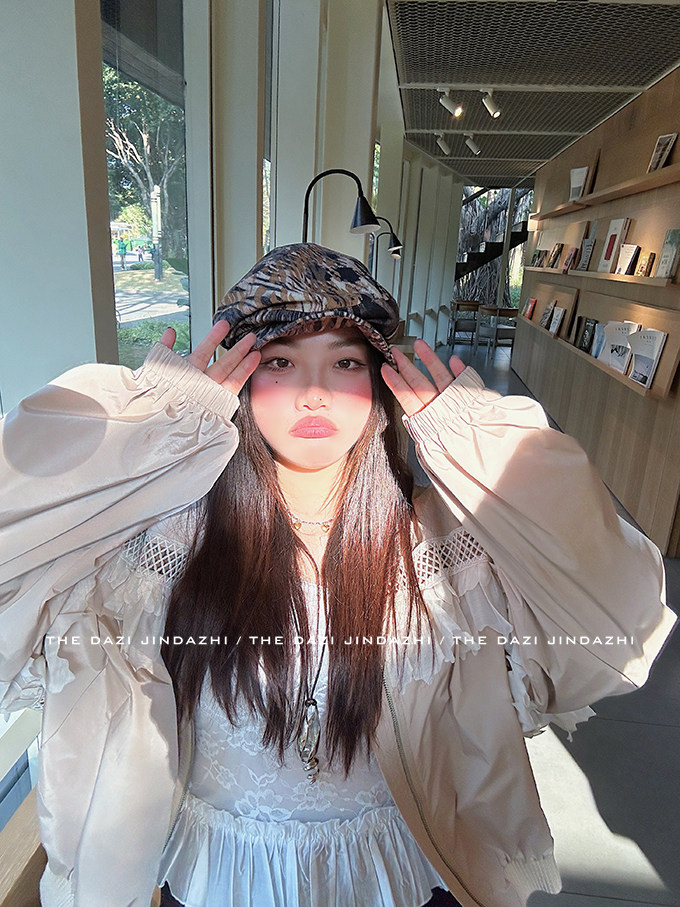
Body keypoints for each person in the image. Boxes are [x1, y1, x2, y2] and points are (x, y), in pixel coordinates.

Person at [0, 243, 675, 907]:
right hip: (216, 876)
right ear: (239, 379)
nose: (315, 393)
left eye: (345, 362)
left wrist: (483, 446)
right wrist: (151, 430)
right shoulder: (164, 549)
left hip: (399, 873)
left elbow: (620, 622)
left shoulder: (444, 550)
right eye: (281, 362)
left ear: (379, 380)